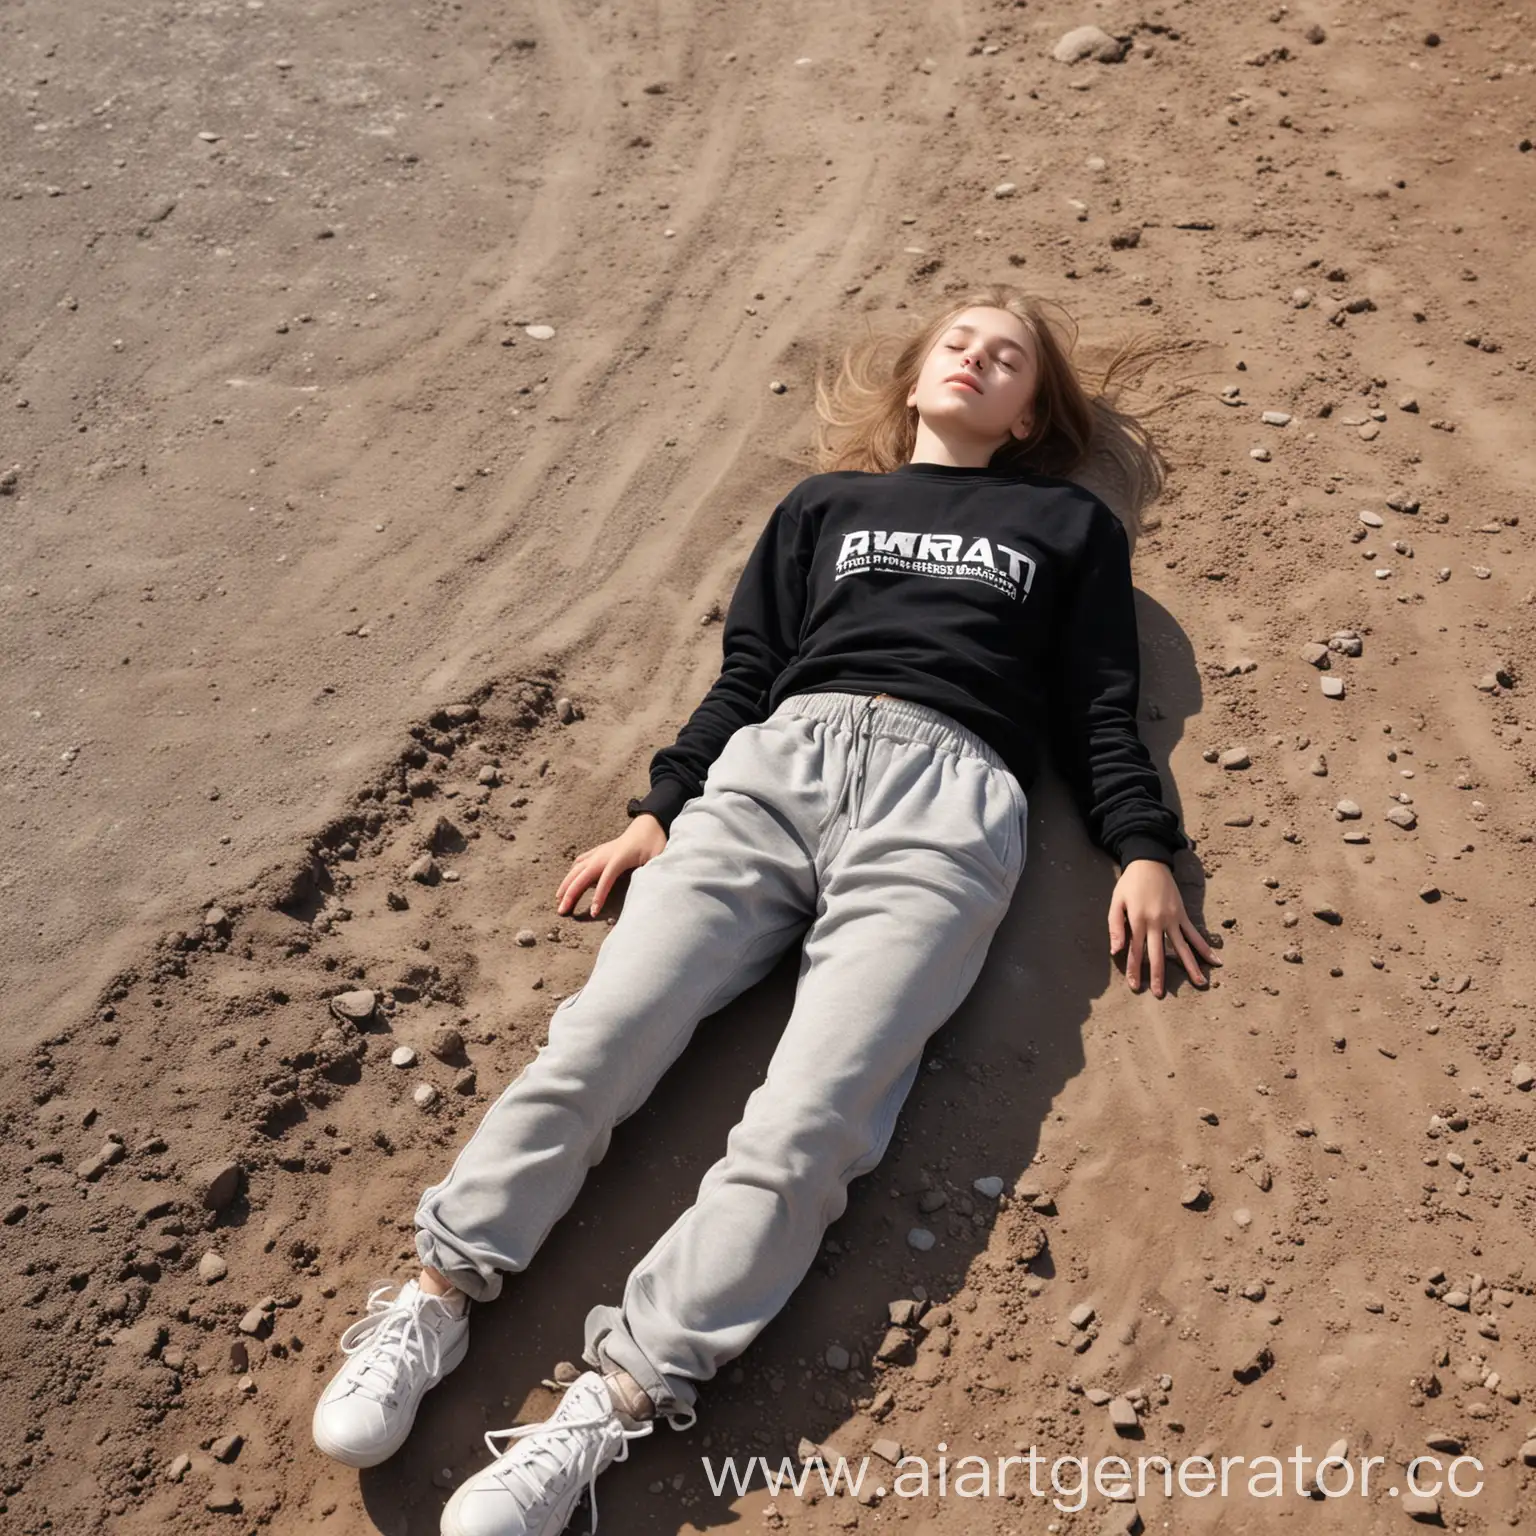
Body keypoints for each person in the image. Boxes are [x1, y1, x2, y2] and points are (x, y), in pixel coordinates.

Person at [310, 284, 1222, 1536]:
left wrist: (1142, 846)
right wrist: (657, 808)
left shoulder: (1066, 526)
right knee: (604, 1033)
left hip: (948, 805)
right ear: (915, 379)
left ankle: (609, 1403)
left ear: (1028, 415)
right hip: (778, 769)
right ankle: (436, 1293)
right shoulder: (823, 509)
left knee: (814, 1122)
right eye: (959, 342)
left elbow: (1098, 705)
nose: (978, 359)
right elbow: (747, 671)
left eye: (1008, 359)